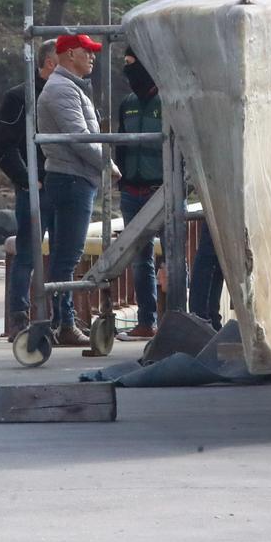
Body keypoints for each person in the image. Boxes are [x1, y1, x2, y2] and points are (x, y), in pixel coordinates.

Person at [36, 33, 109, 345]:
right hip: (72, 179)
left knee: (64, 255)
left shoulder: (67, 86)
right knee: (68, 256)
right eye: (86, 52)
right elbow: (79, 137)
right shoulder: (63, 89)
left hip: (70, 178)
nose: (92, 57)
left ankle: (60, 321)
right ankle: (63, 323)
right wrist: (108, 165)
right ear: (68, 55)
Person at [0, 39, 58, 338]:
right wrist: (27, 179)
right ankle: (19, 319)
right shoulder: (20, 95)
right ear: (49, 62)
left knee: (64, 255)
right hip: (36, 188)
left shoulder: (77, 91)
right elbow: (1, 144)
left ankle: (62, 319)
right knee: (28, 254)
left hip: (69, 184)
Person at [116, 47, 165, 341]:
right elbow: (121, 142)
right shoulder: (128, 103)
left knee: (171, 259)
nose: (128, 71)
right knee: (139, 259)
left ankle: (174, 321)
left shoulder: (169, 102)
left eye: (133, 65)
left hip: (161, 190)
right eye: (126, 65)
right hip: (131, 193)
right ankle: (147, 322)